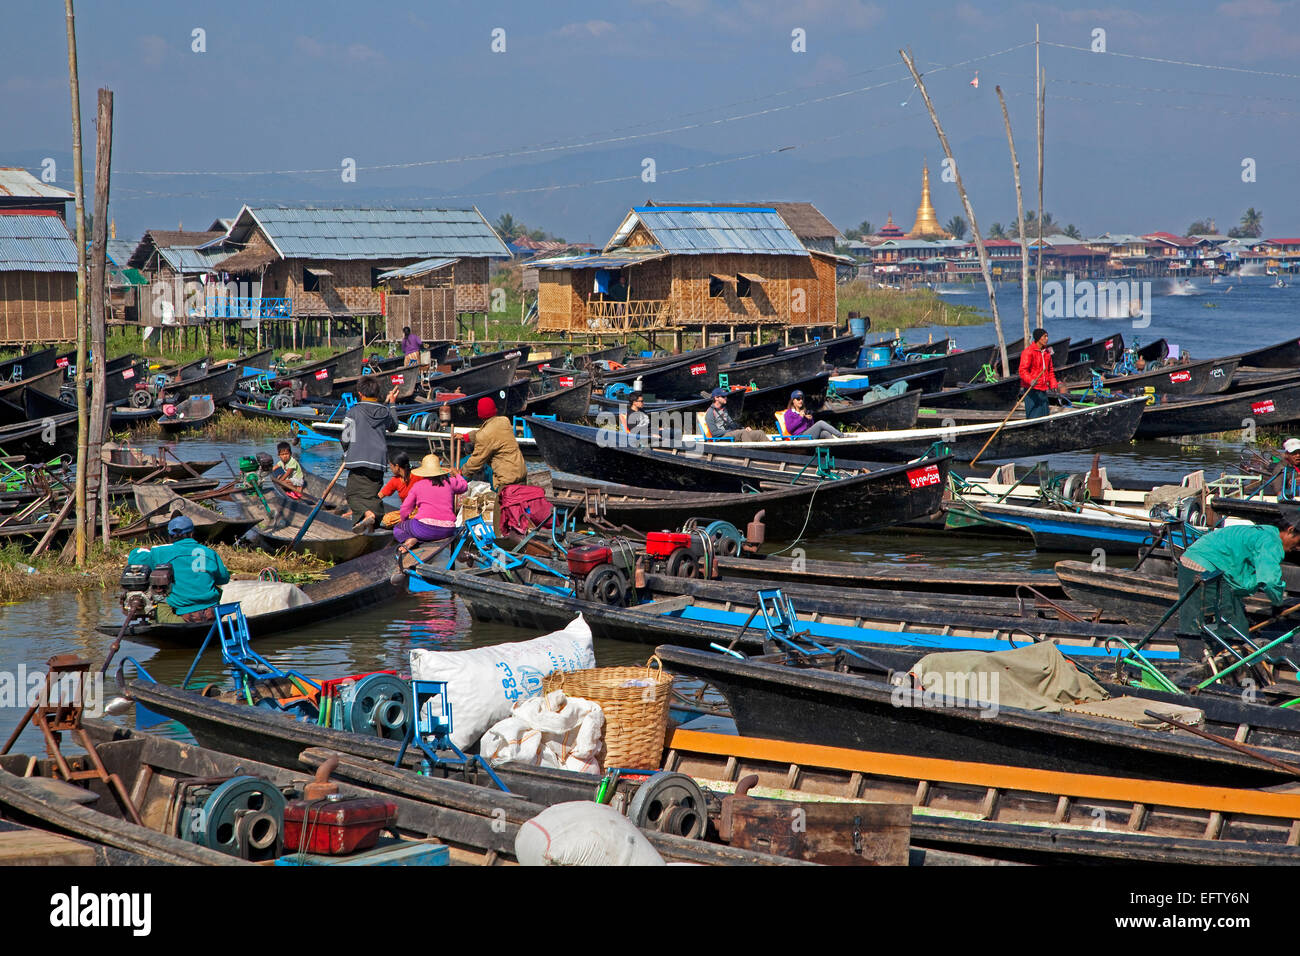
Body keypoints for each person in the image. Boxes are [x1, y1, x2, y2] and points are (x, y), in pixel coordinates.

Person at [1176, 515, 1300, 641]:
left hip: (1194, 563)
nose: (1298, 548)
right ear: (1290, 530)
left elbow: (1240, 578)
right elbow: (1270, 580)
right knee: (1233, 630)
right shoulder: (1271, 541)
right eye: (1299, 542)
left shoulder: (1263, 532)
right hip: (1205, 569)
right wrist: (1277, 603)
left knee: (1196, 621)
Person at [128, 514, 231, 624]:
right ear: (192, 534)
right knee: (215, 586)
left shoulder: (160, 551)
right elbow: (224, 578)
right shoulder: (209, 552)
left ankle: (158, 623)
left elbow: (133, 558)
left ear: (170, 536)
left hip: (183, 618)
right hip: (212, 614)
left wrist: (145, 549)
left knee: (160, 595)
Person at [341, 376, 401, 531]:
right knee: (372, 495)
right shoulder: (384, 412)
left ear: (360, 393)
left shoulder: (353, 412)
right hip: (378, 461)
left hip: (358, 459)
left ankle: (368, 514)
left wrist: (347, 452)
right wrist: (392, 404)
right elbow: (393, 426)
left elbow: (345, 438)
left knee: (352, 495)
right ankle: (373, 526)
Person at [393, 454, 468, 546]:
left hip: (424, 529)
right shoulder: (450, 482)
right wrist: (457, 475)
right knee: (423, 531)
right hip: (448, 529)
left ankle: (410, 539)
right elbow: (464, 486)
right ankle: (418, 539)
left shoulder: (418, 485)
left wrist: (404, 520)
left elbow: (405, 508)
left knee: (398, 528)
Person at [462, 396, 527, 490]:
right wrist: (466, 437)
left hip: (508, 481)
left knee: (501, 504)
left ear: (480, 414)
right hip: (521, 474)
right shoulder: (504, 421)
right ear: (494, 410)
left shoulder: (485, 434)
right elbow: (489, 435)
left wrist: (462, 471)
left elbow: (477, 461)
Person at [1018, 328, 1059, 420]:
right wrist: (1030, 380)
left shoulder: (1046, 353)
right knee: (1034, 414)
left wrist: (1053, 383)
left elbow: (1050, 371)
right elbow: (1022, 371)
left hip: (1043, 388)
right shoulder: (1028, 352)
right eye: (1044, 336)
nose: (1047, 339)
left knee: (1045, 414)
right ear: (1038, 338)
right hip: (1032, 389)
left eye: (1047, 336)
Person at [378, 451, 420, 528]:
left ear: (397, 466)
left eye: (390, 465)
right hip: (408, 512)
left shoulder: (418, 475)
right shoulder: (395, 480)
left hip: (421, 511)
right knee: (385, 519)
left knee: (384, 521)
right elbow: (380, 495)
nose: (390, 468)